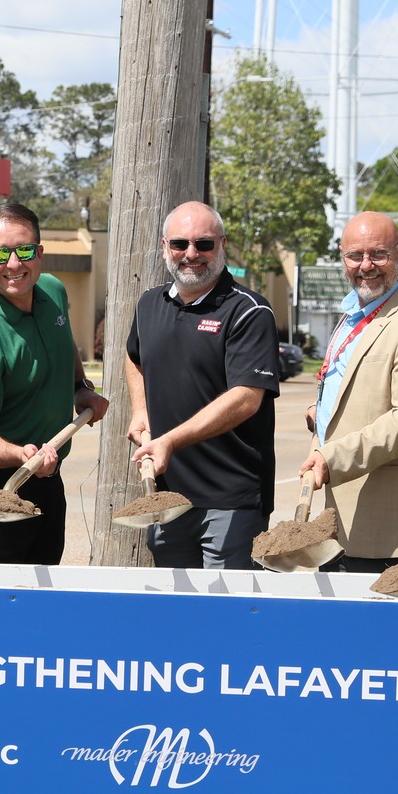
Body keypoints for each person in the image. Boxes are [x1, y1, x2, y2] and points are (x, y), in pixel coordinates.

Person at [0, 199, 108, 565]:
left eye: (25, 250)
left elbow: (64, 342)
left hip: (45, 474)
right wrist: (21, 455)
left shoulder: (52, 291)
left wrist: (80, 387)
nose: (14, 264)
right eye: (0, 254)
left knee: (43, 585)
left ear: (40, 253)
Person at [297, 211, 398, 573]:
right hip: (339, 519)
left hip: (384, 526)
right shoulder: (356, 312)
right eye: (355, 256)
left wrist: (332, 458)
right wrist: (321, 414)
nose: (366, 265)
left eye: (378, 254)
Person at [123, 202, 281, 569]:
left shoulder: (249, 311)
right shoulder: (149, 303)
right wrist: (140, 410)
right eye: (180, 244)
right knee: (178, 601)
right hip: (168, 497)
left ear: (222, 245)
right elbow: (134, 356)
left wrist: (170, 440)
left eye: (204, 244)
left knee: (224, 601)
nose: (191, 254)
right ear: (165, 247)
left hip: (231, 500)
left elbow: (246, 398)